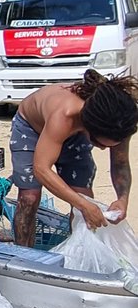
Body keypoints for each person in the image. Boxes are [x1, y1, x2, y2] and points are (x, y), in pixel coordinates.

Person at [11, 70, 138, 247]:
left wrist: (122, 199)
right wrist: (83, 205)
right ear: (88, 126)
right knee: (29, 198)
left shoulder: (121, 121)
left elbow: (120, 163)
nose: (102, 149)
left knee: (84, 198)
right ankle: (24, 253)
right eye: (99, 143)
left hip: (76, 132)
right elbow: (41, 169)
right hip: (31, 127)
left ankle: (78, 254)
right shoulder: (65, 114)